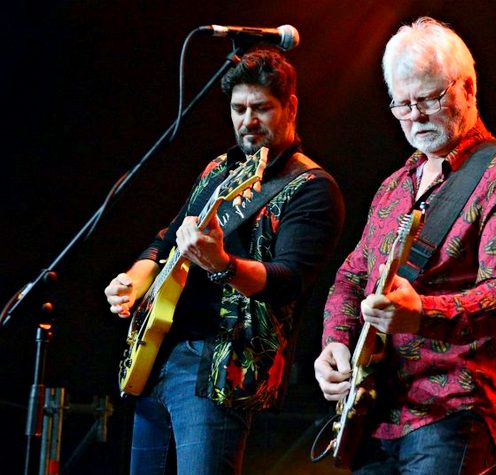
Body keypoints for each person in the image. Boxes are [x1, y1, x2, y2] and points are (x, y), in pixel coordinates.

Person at [313, 17, 496, 474]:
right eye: (402, 105)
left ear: (468, 88)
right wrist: (335, 343)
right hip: (374, 412)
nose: (415, 116)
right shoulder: (394, 186)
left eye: (428, 99)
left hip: (452, 410)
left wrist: (420, 313)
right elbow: (351, 277)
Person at [103, 45, 345, 474]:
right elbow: (166, 241)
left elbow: (288, 280)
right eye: (238, 109)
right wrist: (134, 281)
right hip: (156, 354)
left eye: (261, 108)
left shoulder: (312, 187)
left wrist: (222, 265)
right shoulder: (219, 168)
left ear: (290, 107)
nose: (247, 120)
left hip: (220, 367)